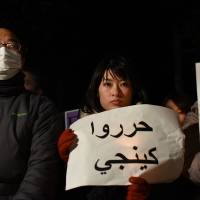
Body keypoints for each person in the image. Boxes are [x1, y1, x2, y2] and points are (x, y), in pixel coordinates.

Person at [58, 55, 150, 200]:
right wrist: (66, 160)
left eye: (124, 84)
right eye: (108, 84)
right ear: (96, 90)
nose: (116, 92)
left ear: (134, 91)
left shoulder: (150, 128)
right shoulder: (79, 130)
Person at [0, 26, 64, 199]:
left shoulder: (41, 108)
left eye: (11, 45)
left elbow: (41, 174)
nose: (4, 51)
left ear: (21, 57)